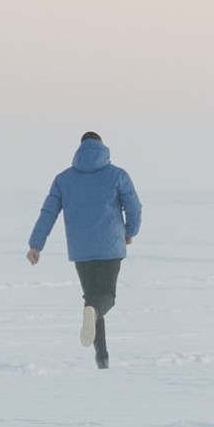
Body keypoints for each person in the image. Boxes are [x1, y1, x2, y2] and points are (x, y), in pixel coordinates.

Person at [27, 131, 142, 369]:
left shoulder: (63, 179)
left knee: (92, 299)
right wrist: (130, 232)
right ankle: (101, 351)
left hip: (81, 250)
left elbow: (48, 212)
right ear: (102, 147)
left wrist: (36, 245)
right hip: (110, 247)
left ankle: (102, 359)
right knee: (105, 298)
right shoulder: (118, 175)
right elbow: (134, 207)